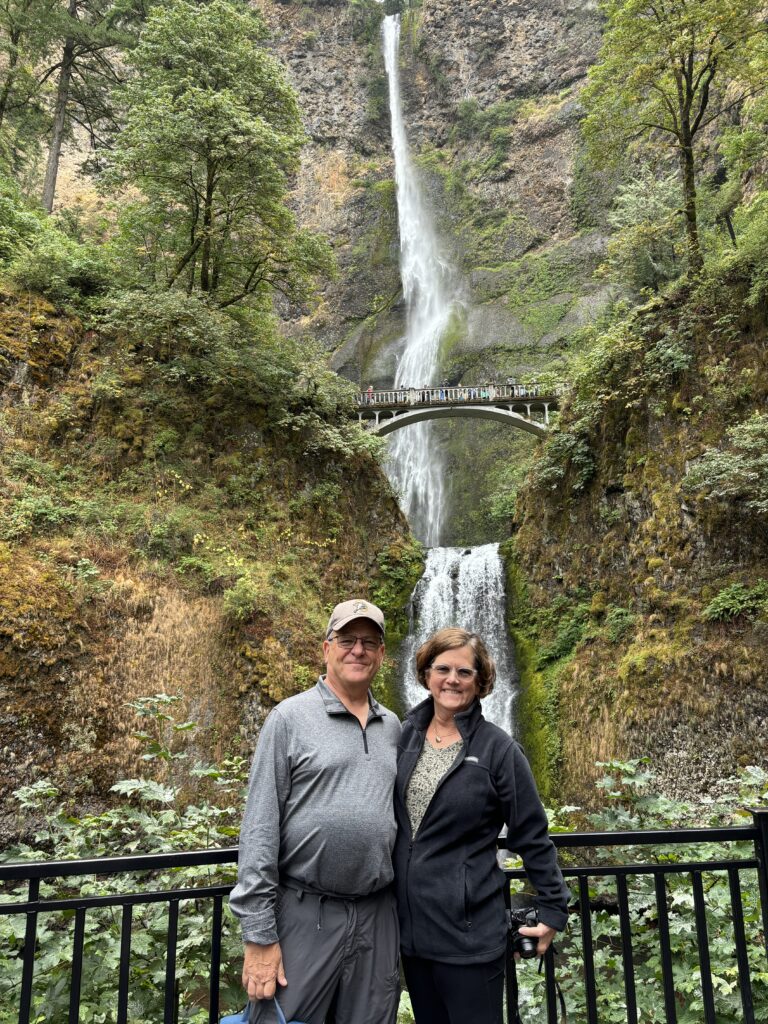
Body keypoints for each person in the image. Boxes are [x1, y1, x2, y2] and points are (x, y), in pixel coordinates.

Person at [229, 599, 402, 1024]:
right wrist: (259, 934)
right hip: (305, 913)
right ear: (326, 648)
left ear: (382, 655)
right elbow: (259, 829)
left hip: (377, 916)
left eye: (368, 642)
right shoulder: (288, 718)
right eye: (346, 640)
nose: (357, 650)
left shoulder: (395, 727)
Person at [393, 628, 569, 1024]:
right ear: (426, 674)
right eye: (442, 668)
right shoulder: (403, 736)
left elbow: (531, 834)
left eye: (464, 672)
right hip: (411, 937)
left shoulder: (499, 749)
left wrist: (554, 909)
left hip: (469, 937)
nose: (452, 679)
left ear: (480, 680)